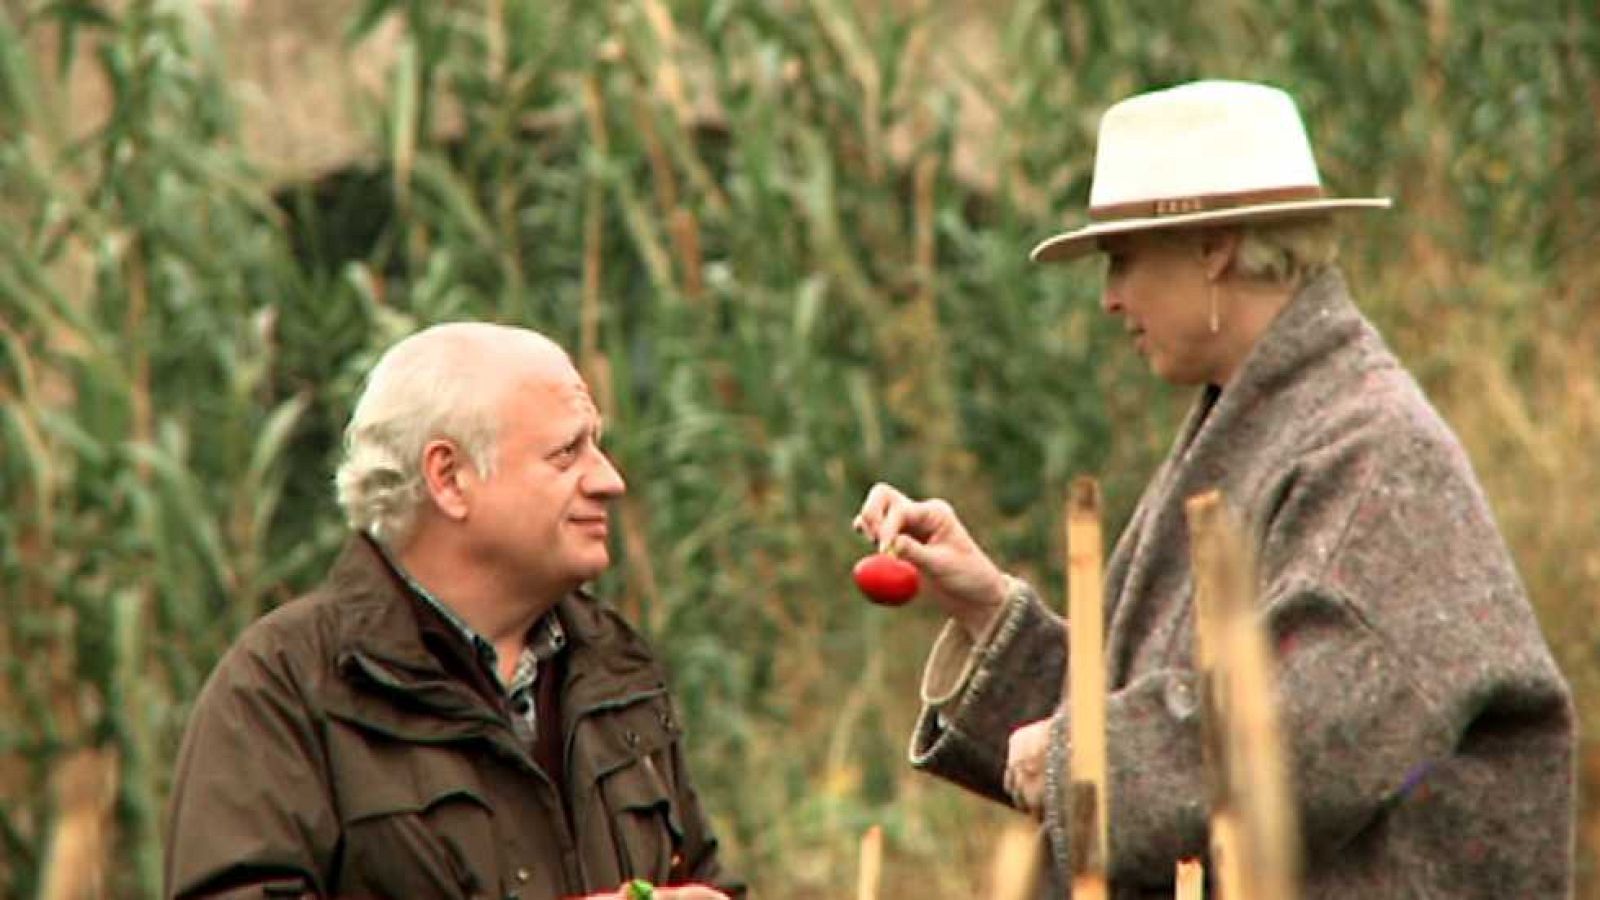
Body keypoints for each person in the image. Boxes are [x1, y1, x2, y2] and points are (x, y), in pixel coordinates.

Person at [853, 80, 1574, 897]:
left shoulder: (1371, 453)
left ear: (1214, 248)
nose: (1109, 298)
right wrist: (988, 614)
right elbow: (1173, 703)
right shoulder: (1269, 423)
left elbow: (1301, 740)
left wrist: (1076, 760)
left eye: (1123, 259)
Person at [165, 322, 741, 900]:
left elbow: (700, 874)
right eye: (567, 453)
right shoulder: (286, 687)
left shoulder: (614, 668)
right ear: (449, 478)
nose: (610, 479)